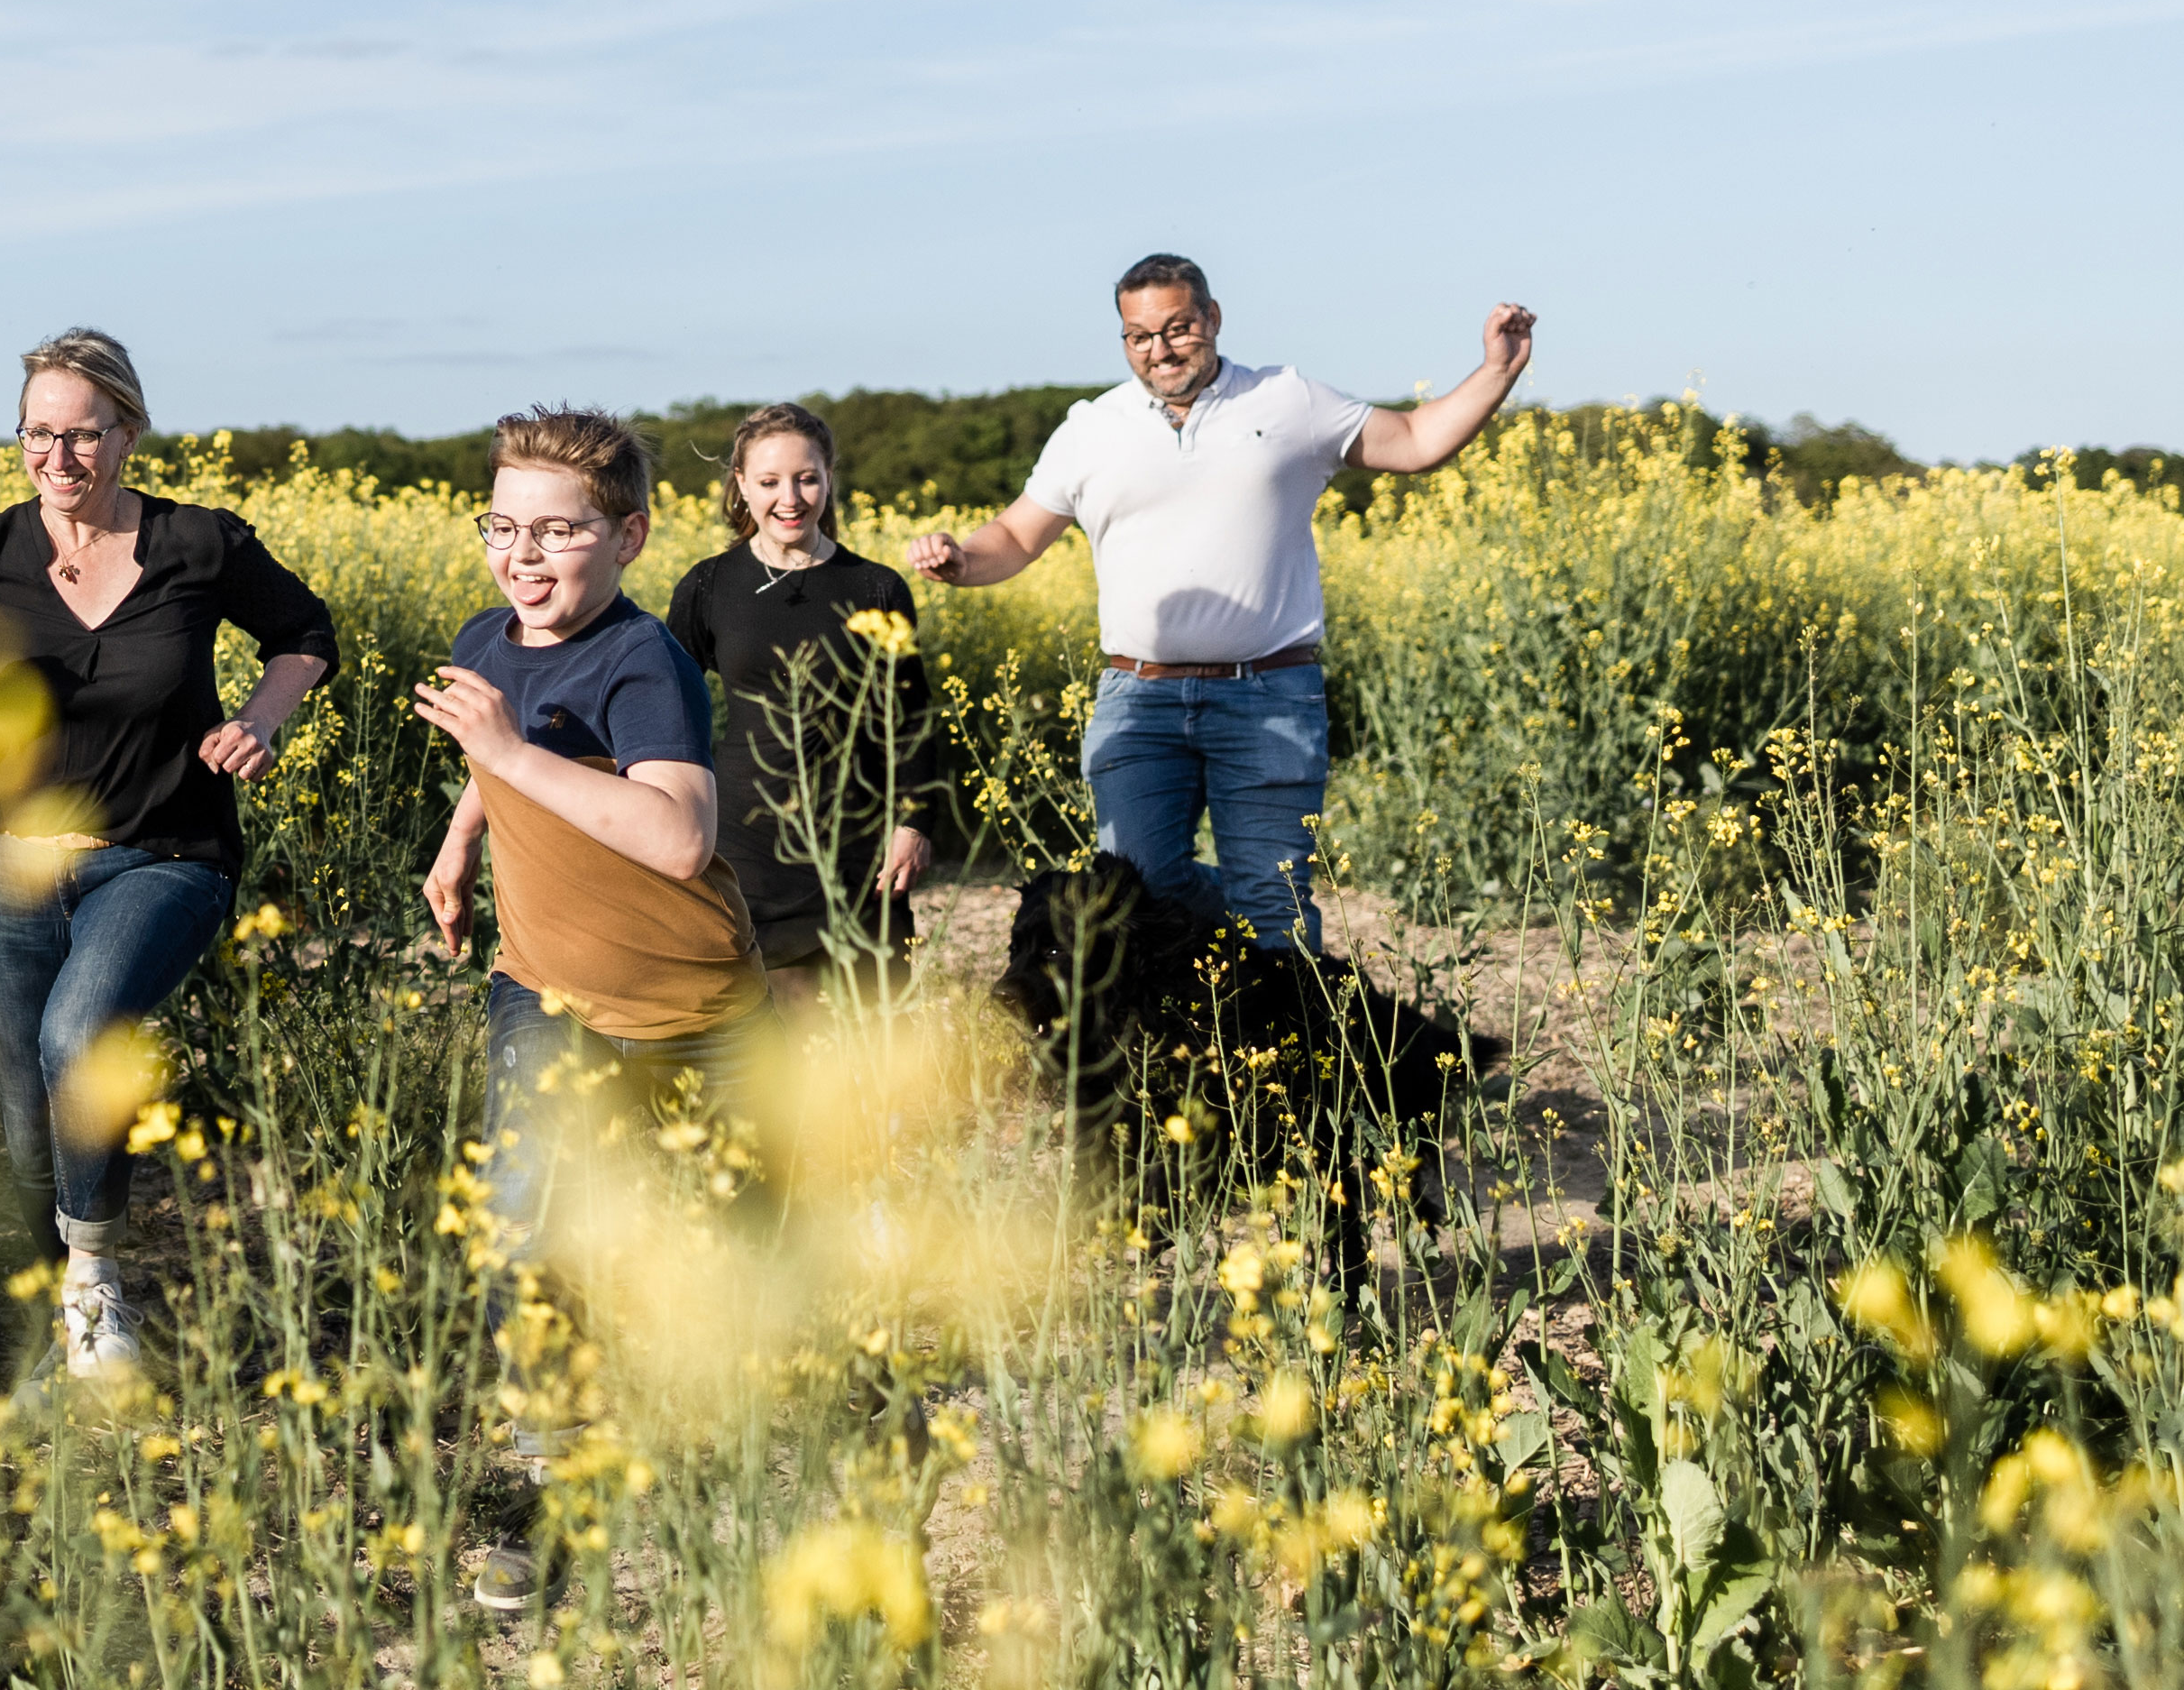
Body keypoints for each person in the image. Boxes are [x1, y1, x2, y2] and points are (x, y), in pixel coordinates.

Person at [0, 327, 337, 1382]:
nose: (59, 456)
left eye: (83, 434)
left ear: (128, 432)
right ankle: (58, 1337)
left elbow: (307, 633)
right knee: (26, 1121)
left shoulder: (198, 542)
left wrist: (261, 718)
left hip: (163, 854)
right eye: (38, 433)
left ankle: (97, 1286)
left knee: (79, 1037)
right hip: (11, 869)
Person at [902, 254, 1534, 954]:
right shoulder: (1091, 428)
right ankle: (1232, 986)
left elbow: (1415, 442)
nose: (1160, 350)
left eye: (1178, 328)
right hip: (1137, 703)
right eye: (1139, 337)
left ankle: (1293, 1015)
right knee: (1141, 895)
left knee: (1271, 898)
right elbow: (1017, 536)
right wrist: (961, 560)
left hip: (1269, 696)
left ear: (1213, 318)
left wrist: (1498, 369)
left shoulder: (1288, 401)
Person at [412, 408, 759, 1268]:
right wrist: (460, 840)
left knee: (755, 1240)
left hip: (691, 1005)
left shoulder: (642, 661)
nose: (522, 555)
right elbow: (502, 761)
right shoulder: (482, 641)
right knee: (524, 1213)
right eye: (503, 526)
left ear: (628, 538)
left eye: (556, 530)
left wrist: (507, 751)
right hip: (544, 986)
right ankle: (535, 1365)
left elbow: (680, 836)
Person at [663, 403, 939, 1006]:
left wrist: (914, 822)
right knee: (767, 1033)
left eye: (806, 478)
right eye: (769, 482)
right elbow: (664, 711)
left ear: (829, 478)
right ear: (741, 484)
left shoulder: (875, 587)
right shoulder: (710, 585)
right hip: (745, 844)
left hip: (858, 844)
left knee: (874, 1028)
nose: (789, 499)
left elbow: (911, 720)